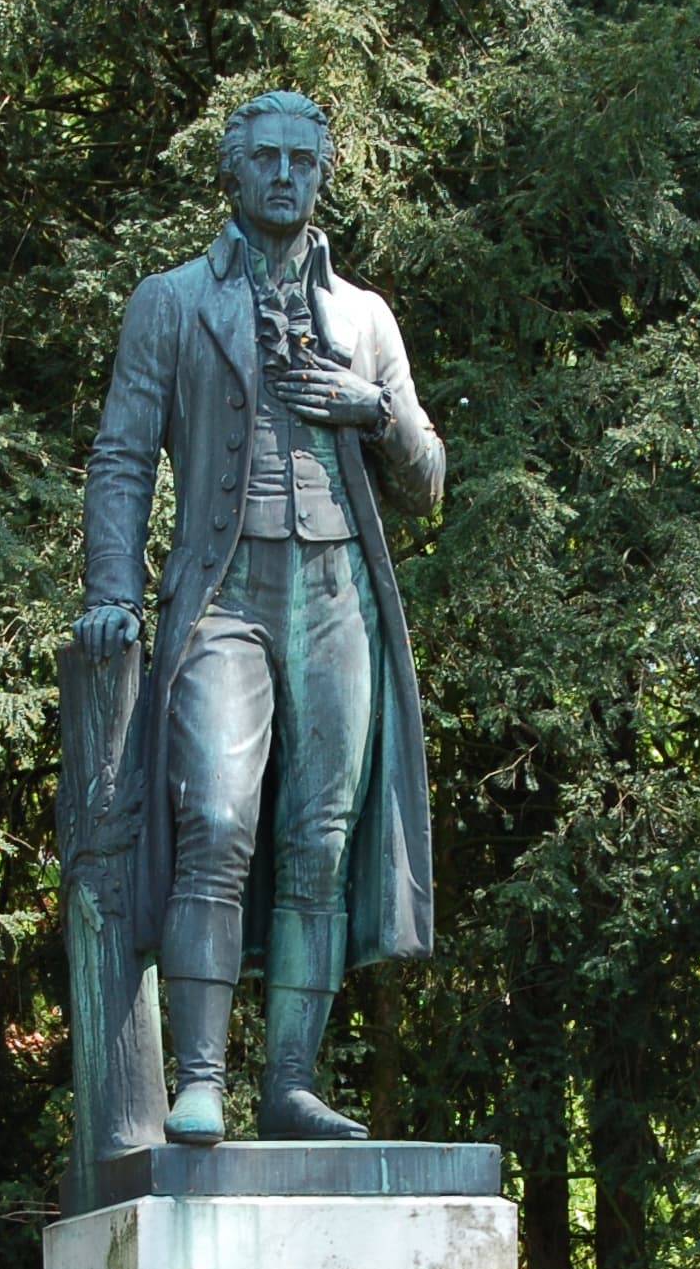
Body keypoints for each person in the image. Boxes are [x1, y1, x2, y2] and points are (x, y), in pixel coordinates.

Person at [75, 90, 444, 1142]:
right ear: (231, 174)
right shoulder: (171, 300)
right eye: (265, 158)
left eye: (301, 159)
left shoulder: (365, 319)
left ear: (319, 172)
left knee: (319, 839)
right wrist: (111, 592)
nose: (284, 174)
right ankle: (201, 1077)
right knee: (219, 823)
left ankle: (287, 1084)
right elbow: (119, 457)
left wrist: (369, 409)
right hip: (225, 593)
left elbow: (426, 482)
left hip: (336, 595)